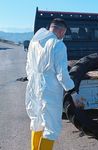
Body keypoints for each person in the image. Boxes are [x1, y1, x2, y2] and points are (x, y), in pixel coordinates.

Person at [25, 18, 75, 150]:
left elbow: (28, 66)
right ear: (60, 30)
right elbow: (62, 73)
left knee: (37, 121)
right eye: (63, 33)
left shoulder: (34, 42)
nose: (63, 36)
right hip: (49, 89)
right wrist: (72, 91)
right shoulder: (57, 45)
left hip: (33, 87)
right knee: (51, 127)